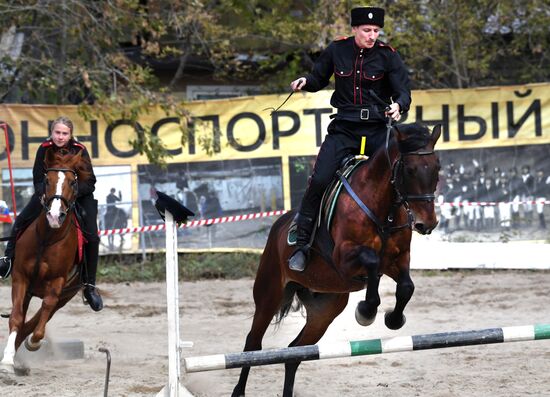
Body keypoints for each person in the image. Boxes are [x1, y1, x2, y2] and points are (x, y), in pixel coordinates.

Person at [288, 6, 410, 271]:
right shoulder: (337, 49)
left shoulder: (388, 56)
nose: (372, 36)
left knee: (399, 178)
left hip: (378, 128)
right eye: (367, 30)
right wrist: (304, 81)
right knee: (319, 179)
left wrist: (399, 105)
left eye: (376, 31)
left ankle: (398, 240)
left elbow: (403, 91)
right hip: (345, 129)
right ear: (354, 29)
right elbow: (318, 78)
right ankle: (302, 244)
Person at [0, 116, 103, 311]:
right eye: (57, 132)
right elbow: (38, 177)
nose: (60, 137)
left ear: (70, 135)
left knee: (92, 236)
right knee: (22, 220)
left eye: (64, 133)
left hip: (79, 196)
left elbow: (90, 182)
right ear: (52, 132)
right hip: (48, 194)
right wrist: (43, 195)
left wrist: (71, 194)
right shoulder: (44, 148)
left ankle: (89, 286)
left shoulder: (80, 150)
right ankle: (7, 260)